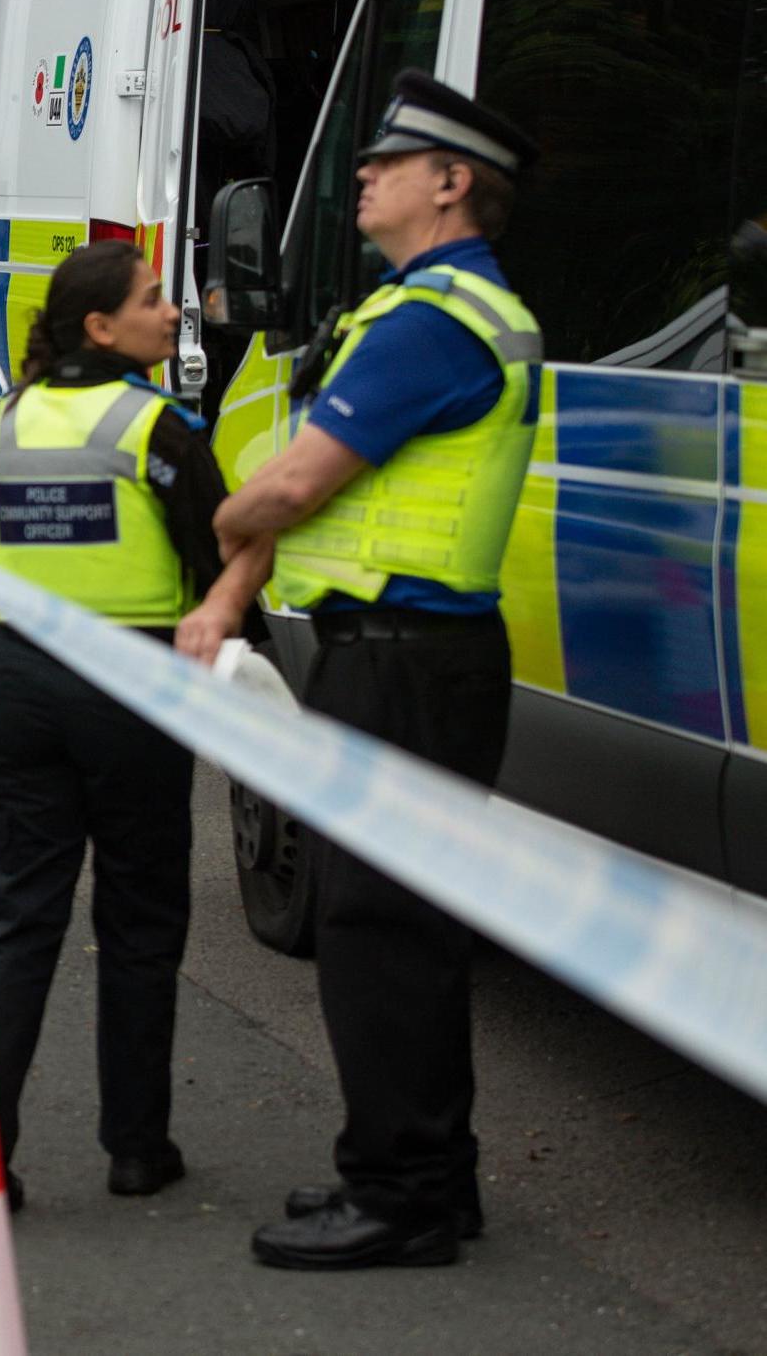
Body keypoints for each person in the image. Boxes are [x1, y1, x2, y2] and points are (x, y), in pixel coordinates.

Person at [214, 68, 541, 1270]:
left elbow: (294, 483)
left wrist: (223, 518)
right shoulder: (433, 307)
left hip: (402, 664)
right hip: (415, 659)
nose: (360, 173)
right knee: (406, 920)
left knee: (371, 923)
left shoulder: (432, 320)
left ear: (449, 184)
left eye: (387, 160)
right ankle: (421, 1174)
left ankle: (399, 1193)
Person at [0, 238, 272, 1214]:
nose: (173, 311)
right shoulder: (160, 429)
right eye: (151, 300)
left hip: (19, 686)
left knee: (18, 924)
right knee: (138, 922)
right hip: (130, 692)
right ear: (101, 327)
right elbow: (220, 562)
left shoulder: (5, 421)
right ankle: (136, 1147)